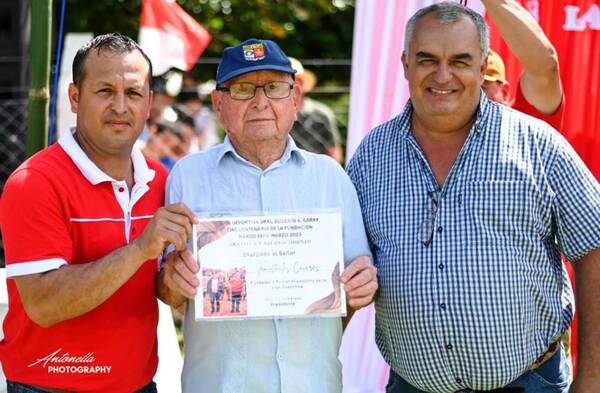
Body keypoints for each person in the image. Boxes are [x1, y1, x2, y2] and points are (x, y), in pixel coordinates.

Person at [347, 3, 600, 392]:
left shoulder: (537, 144)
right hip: (412, 385)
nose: (443, 75)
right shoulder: (370, 157)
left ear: (483, 67)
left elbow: (594, 247)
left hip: (530, 382)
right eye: (427, 59)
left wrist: (593, 380)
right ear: (404, 64)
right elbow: (348, 264)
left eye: (460, 61)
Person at [157, 38, 378, 393]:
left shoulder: (331, 177)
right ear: (219, 103)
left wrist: (361, 283)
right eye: (243, 89)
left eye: (274, 88)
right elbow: (168, 292)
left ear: (294, 100)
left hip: (313, 385)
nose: (261, 102)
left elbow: (354, 285)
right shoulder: (187, 176)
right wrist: (172, 280)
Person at [0, 33, 196, 392]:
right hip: (49, 386)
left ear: (149, 102)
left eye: (134, 93)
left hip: (138, 385)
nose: (120, 106)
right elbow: (44, 305)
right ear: (75, 98)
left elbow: (160, 289)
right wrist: (140, 249)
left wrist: (178, 282)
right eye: (105, 91)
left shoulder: (161, 180)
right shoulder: (34, 182)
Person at [481, 0, 564, 130]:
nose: (474, 98)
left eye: (482, 88)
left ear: (504, 92)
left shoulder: (522, 123)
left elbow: (545, 67)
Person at [289, 58, 343, 163]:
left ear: (300, 83)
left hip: (315, 173)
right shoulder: (271, 115)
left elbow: (333, 150)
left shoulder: (321, 114)